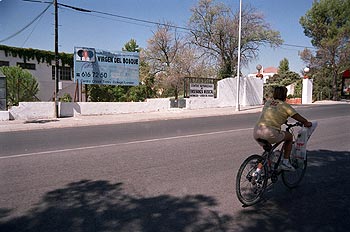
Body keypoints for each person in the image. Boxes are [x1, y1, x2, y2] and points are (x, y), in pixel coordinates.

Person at [253, 86, 312, 171]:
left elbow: (273, 114)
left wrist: (282, 119)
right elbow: (298, 117)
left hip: (257, 131)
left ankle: (257, 172)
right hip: (270, 132)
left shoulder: (268, 102)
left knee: (267, 152)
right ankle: (285, 162)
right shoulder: (285, 106)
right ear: (285, 95)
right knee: (289, 137)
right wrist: (306, 122)